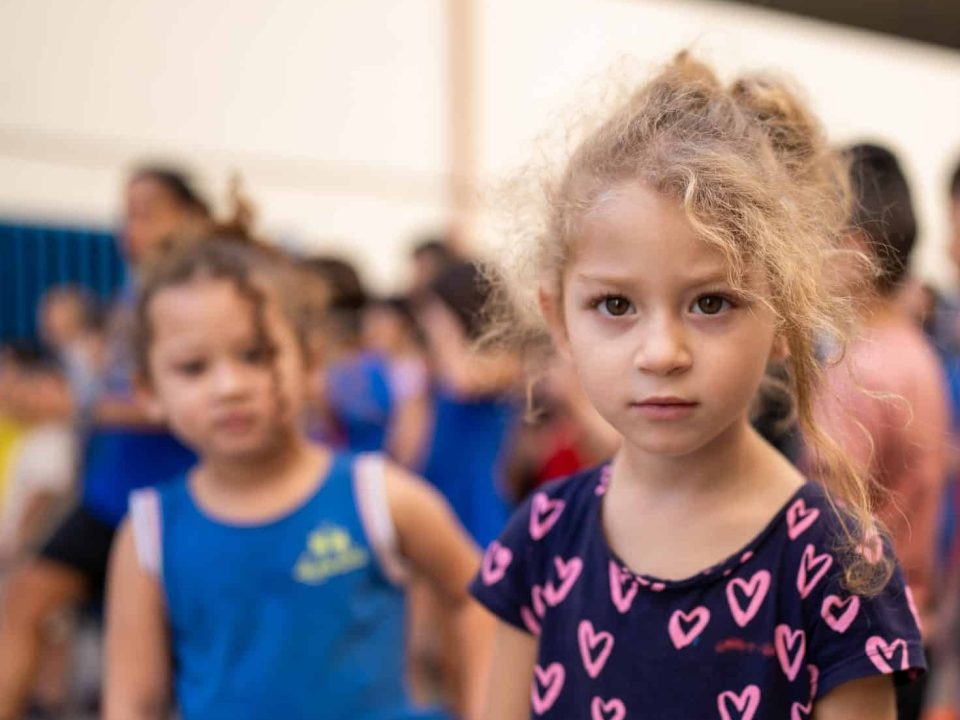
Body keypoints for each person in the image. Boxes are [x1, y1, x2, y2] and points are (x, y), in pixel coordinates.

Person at [469, 54, 925, 719]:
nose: (662, 353)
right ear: (558, 320)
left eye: (712, 303)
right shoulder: (541, 538)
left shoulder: (835, 565)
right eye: (616, 306)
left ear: (784, 321)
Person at [103, 235, 489, 720]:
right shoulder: (147, 536)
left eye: (256, 355)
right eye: (193, 367)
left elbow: (482, 599)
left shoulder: (378, 496)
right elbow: (132, 703)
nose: (230, 386)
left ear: (309, 361)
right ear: (148, 389)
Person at [0, 166, 206, 720]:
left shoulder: (193, 294)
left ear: (190, 217)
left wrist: (74, 406)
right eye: (127, 211)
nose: (130, 225)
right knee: (26, 599)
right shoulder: (132, 291)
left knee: (170, 654)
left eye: (147, 210)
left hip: (171, 501)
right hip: (109, 496)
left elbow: (179, 397)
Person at [811, 144, 947, 719]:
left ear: (856, 252)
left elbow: (826, 521)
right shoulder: (918, 351)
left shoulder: (860, 371)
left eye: (818, 234)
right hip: (910, 624)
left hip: (855, 637)